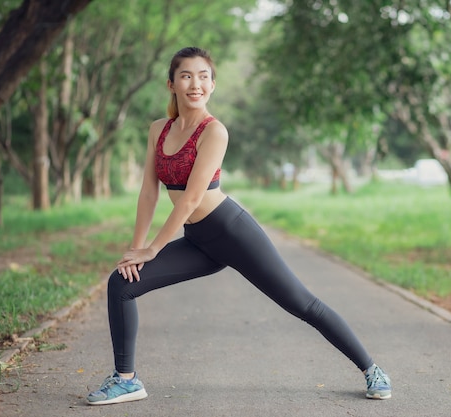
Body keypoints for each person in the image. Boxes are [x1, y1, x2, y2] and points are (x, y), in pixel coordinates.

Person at [86, 46, 391, 406]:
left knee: (302, 304)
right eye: (186, 75)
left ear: (212, 85)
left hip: (232, 231)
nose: (194, 83)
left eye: (203, 76)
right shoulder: (158, 130)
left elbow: (191, 198)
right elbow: (149, 194)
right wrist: (136, 252)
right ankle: (126, 380)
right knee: (122, 283)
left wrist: (153, 248)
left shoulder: (214, 132)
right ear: (171, 84)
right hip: (199, 240)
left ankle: (371, 369)